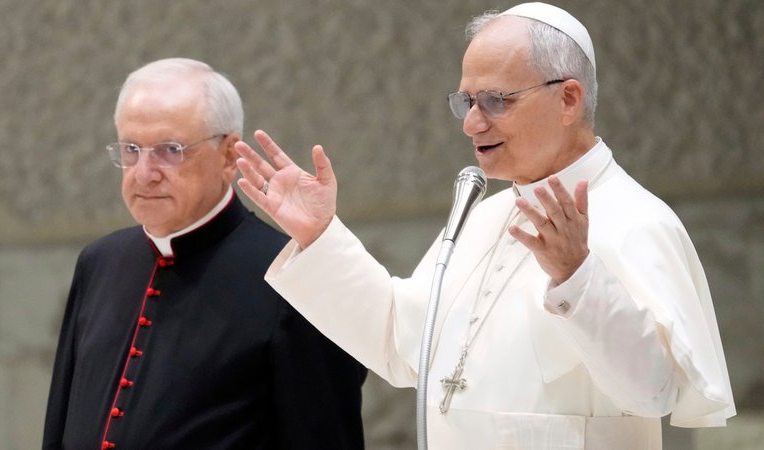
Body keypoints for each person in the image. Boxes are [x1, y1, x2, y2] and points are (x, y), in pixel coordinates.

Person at [233, 3, 735, 449]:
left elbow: (655, 393)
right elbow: (400, 343)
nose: (472, 124)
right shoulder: (488, 214)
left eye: (496, 100)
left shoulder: (637, 219)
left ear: (568, 99)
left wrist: (578, 276)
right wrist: (321, 235)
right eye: (466, 102)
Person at [42, 58, 367, 450]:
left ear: (229, 155)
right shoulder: (99, 262)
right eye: (131, 149)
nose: (144, 173)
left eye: (169, 150)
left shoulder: (292, 278)